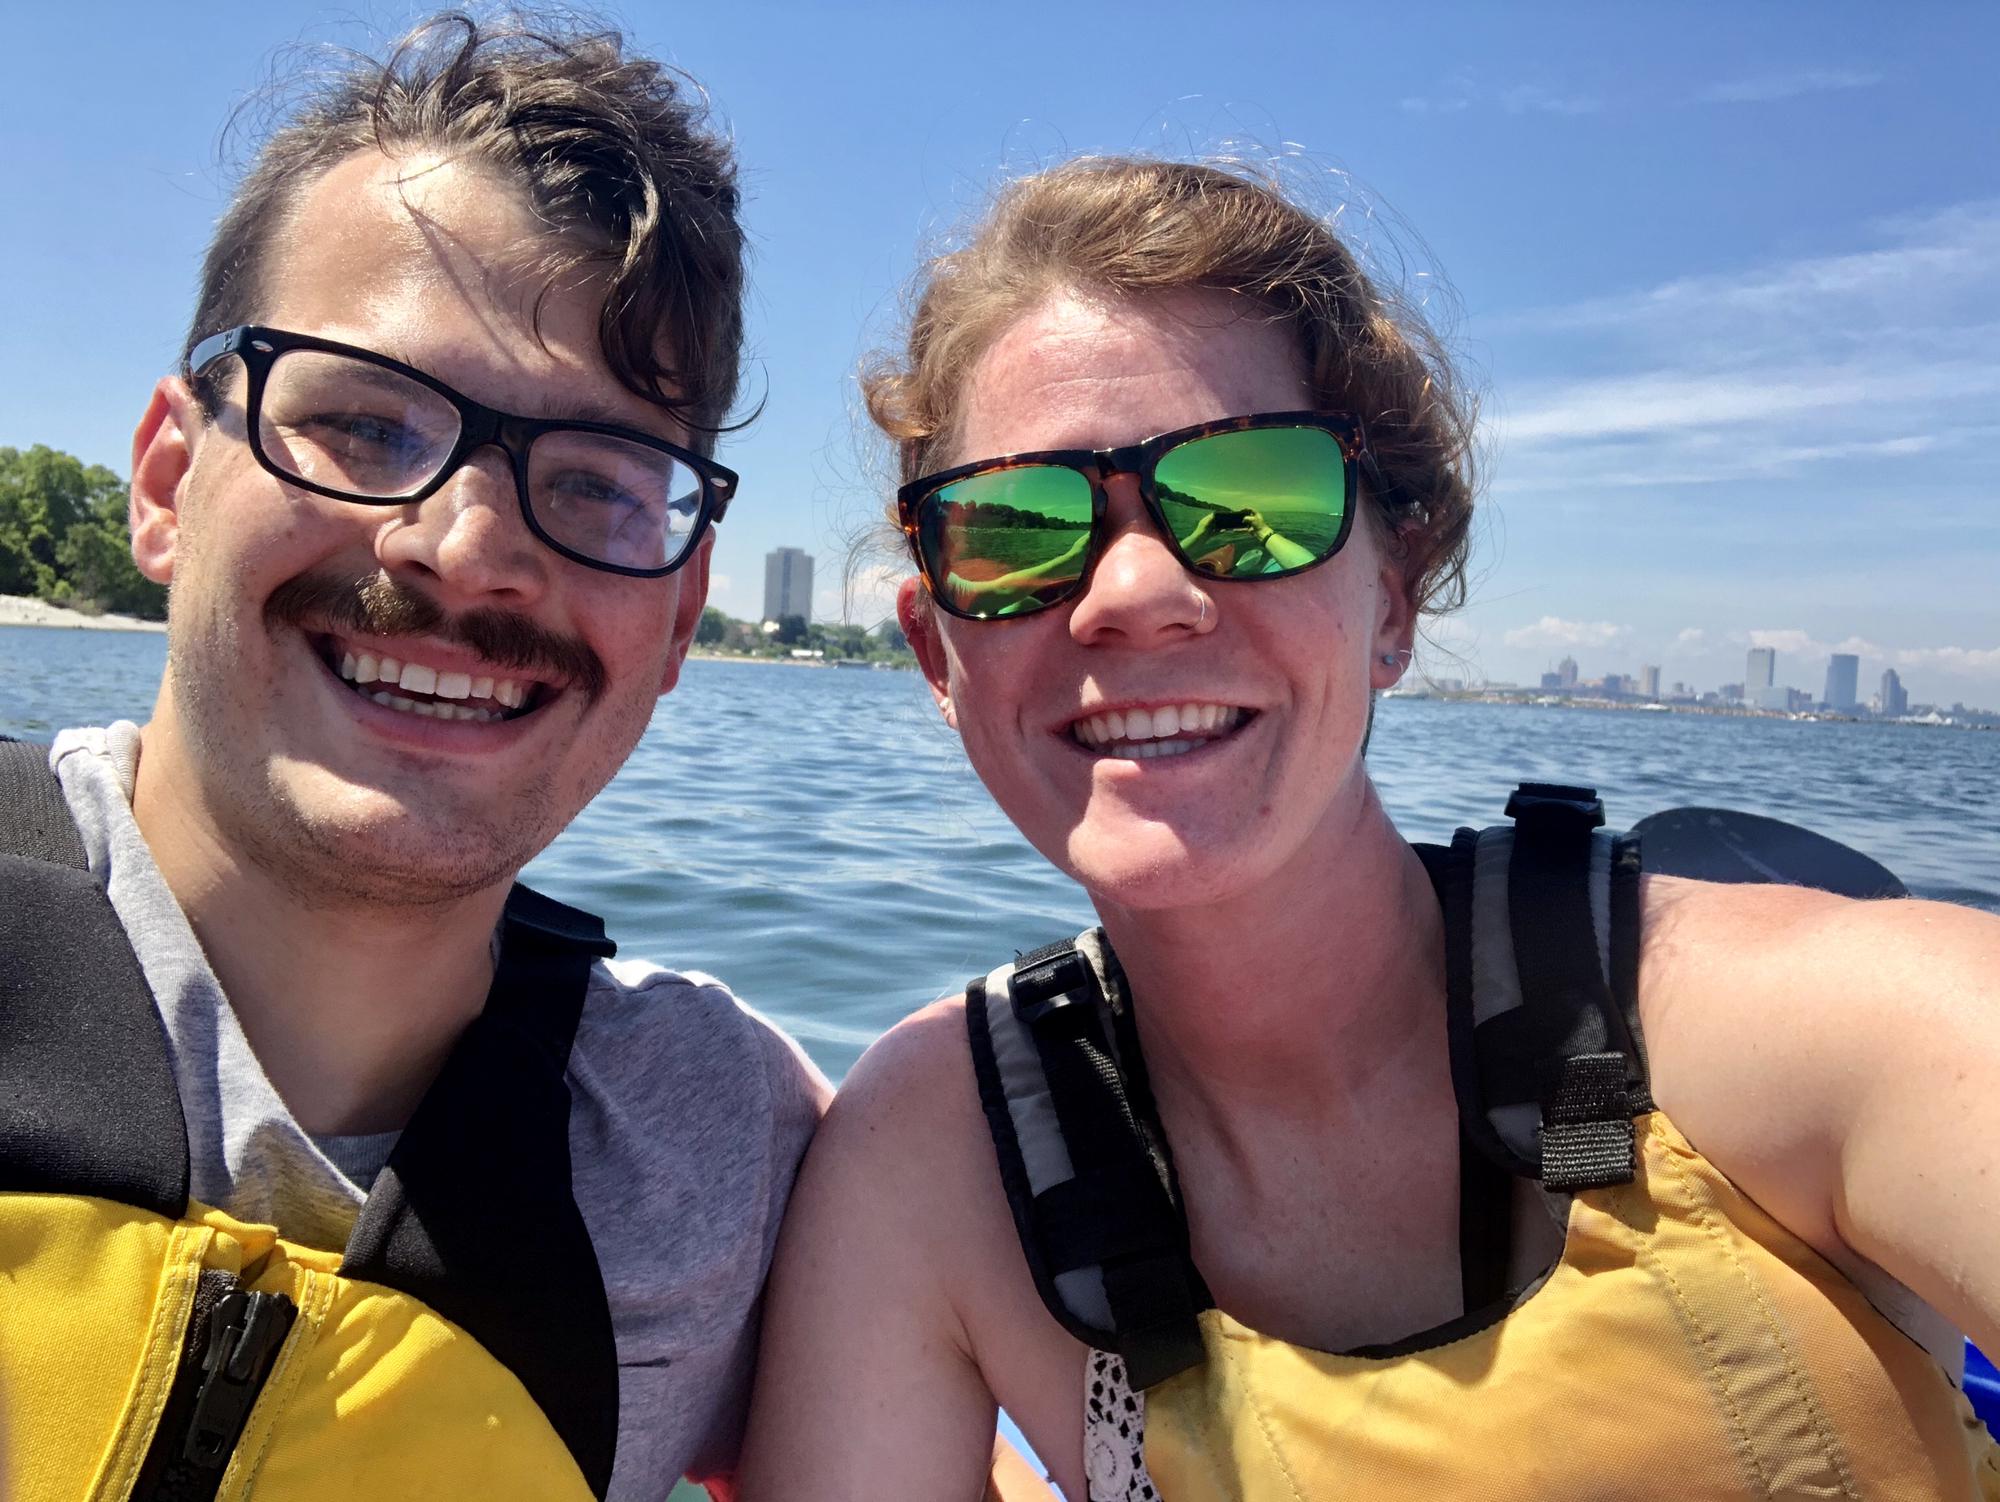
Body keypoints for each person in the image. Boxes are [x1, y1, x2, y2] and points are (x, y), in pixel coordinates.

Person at [737, 156, 2000, 1501]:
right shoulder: (937, 1170)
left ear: (1393, 597)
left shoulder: (1801, 1027)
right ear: (940, 657)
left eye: (1254, 502)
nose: (1136, 592)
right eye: (1019, 530)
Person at [0, 15, 829, 1501]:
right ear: (169, 482)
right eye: (366, 421)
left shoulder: (732, 1152)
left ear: (683, 613)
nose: (467, 548)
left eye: (598, 483)